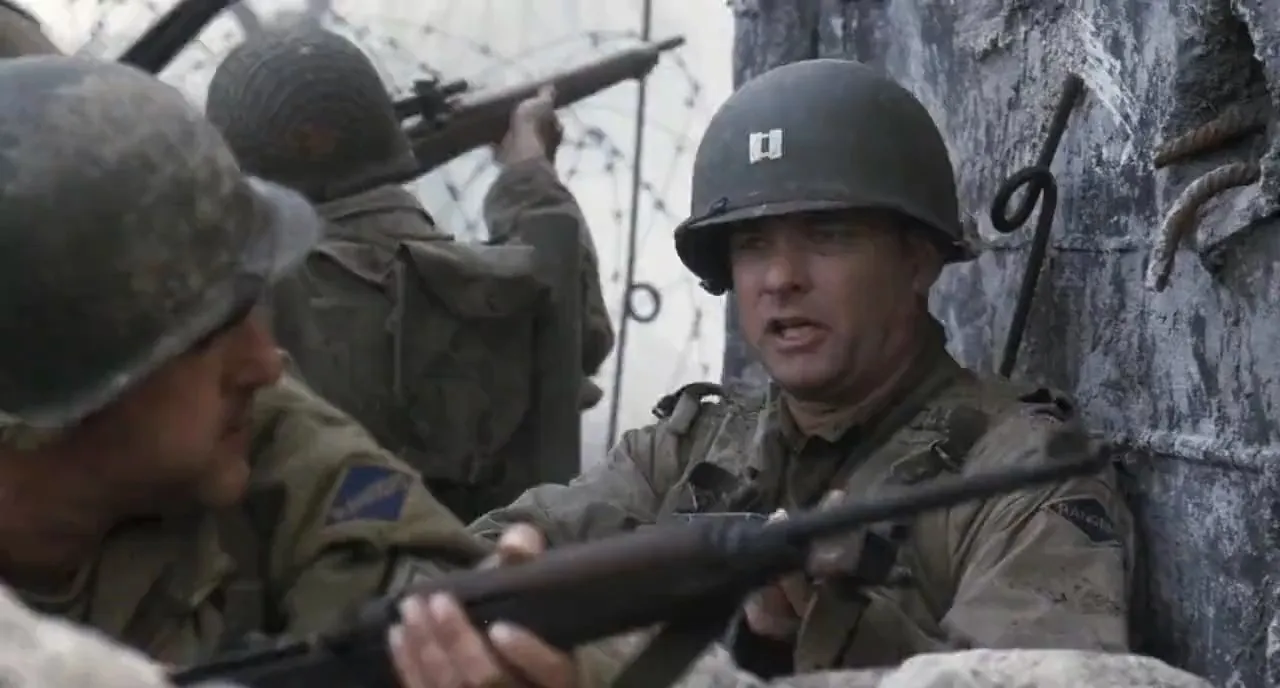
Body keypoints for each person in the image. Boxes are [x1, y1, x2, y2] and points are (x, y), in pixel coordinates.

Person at [394, 58, 1137, 686]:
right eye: (751, 245)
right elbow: (467, 567)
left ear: (918, 260)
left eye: (829, 235)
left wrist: (830, 623)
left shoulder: (1020, 473)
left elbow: (1042, 676)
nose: (780, 278)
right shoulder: (685, 450)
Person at [0, 53, 496, 668]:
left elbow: (413, 586)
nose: (266, 364)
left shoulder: (261, 438)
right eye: (209, 334)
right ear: (43, 393)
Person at [204, 25, 615, 519]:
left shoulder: (236, 303)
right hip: (501, 561)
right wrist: (530, 170)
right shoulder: (505, 286)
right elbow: (582, 330)